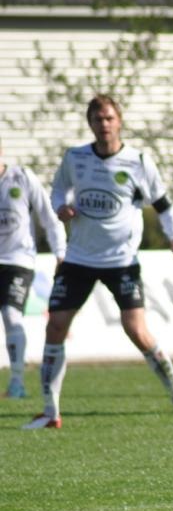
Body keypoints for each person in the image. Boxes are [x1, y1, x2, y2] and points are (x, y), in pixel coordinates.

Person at [22, 94, 173, 430]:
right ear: (90, 124)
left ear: (119, 121)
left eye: (109, 118)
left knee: (136, 330)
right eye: (97, 119)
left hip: (121, 260)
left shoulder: (138, 161)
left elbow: (164, 205)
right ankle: (50, 412)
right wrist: (61, 208)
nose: (104, 125)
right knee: (56, 325)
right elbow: (58, 190)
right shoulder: (75, 158)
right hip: (79, 257)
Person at [0, 138, 67, 398]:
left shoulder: (22, 177)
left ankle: (17, 382)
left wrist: (60, 253)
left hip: (18, 261)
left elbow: (49, 217)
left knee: (11, 314)